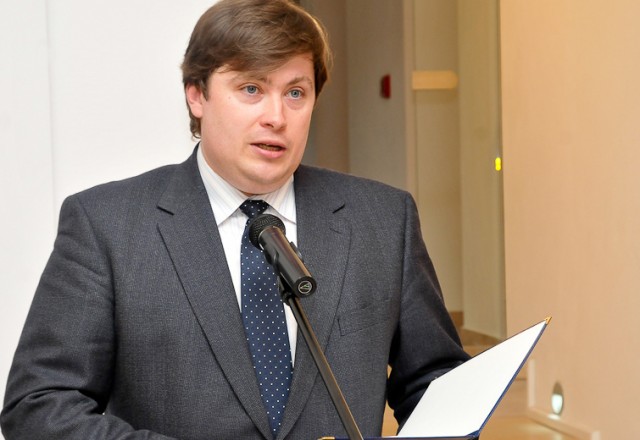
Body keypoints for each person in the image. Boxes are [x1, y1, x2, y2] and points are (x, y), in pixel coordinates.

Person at [0, 0, 469, 439]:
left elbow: (434, 382)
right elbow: (39, 405)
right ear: (197, 96)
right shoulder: (107, 226)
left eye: (296, 93)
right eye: (251, 89)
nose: (276, 117)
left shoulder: (382, 219)